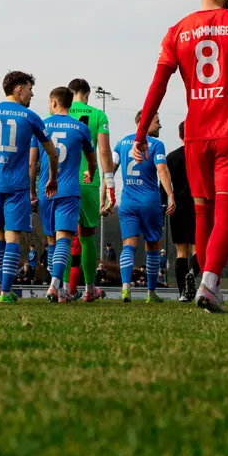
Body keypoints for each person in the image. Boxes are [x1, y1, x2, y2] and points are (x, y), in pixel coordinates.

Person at [132, 0, 228, 313]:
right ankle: (210, 284)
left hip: (195, 136)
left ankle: (208, 285)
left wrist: (140, 131)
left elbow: (158, 86)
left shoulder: (177, 30)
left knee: (204, 213)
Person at [0, 71, 58, 303]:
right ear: (19, 89)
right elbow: (51, 151)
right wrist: (52, 177)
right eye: (30, 89)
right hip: (16, 186)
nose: (32, 94)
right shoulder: (29, 116)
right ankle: (5, 292)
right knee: (13, 237)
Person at [39, 86, 93, 301]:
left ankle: (58, 289)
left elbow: (32, 160)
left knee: (52, 240)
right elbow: (92, 158)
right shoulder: (81, 128)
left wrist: (33, 190)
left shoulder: (41, 125)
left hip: (46, 189)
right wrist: (91, 171)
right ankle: (55, 287)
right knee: (64, 239)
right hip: (69, 189)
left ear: (53, 102)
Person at [113, 113, 174, 302]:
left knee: (128, 246)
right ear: (144, 122)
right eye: (157, 121)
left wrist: (106, 195)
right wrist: (170, 195)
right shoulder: (156, 145)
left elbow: (110, 169)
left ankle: (125, 289)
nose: (160, 126)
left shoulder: (121, 143)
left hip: (128, 202)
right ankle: (151, 293)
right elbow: (162, 169)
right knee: (153, 247)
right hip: (150, 202)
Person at [64, 80, 114, 301]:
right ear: (87, 94)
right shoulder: (98, 116)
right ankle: (89, 289)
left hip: (64, 180)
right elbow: (103, 151)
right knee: (87, 238)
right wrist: (109, 182)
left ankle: (63, 288)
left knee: (63, 236)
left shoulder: (58, 111)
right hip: (89, 181)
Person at [164, 123, 196, 298]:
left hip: (177, 205)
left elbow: (164, 183)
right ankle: (193, 275)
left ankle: (183, 293)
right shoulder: (199, 155)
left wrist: (164, 205)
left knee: (181, 252)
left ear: (179, 135)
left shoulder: (171, 158)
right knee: (198, 250)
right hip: (197, 204)